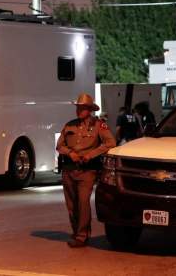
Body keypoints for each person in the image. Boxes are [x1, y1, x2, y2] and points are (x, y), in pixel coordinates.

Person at [56, 93, 116, 248]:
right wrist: (70, 153)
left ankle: (82, 236)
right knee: (71, 204)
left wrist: (91, 154)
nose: (78, 110)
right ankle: (76, 232)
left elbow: (111, 142)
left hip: (87, 171)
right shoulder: (69, 125)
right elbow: (59, 145)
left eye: (82, 108)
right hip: (69, 169)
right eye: (78, 107)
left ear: (89, 109)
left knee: (83, 202)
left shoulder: (99, 125)